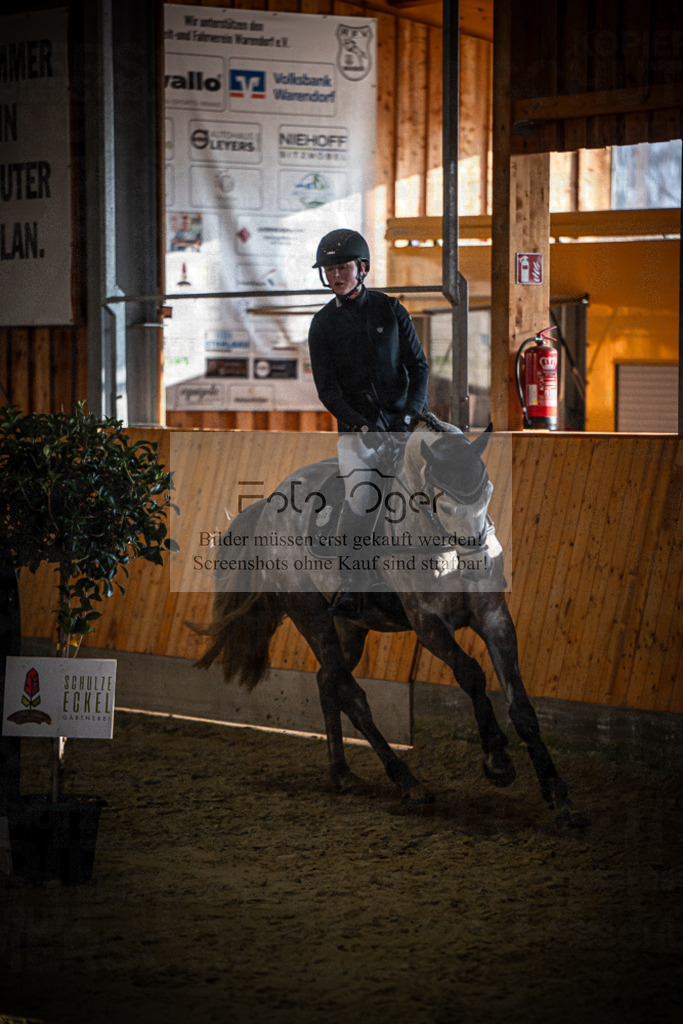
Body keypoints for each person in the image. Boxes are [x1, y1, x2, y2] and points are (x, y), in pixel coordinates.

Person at [308, 228, 429, 616]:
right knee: (362, 497)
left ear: (362, 268)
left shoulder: (391, 310)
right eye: (329, 269)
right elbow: (328, 390)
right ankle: (353, 583)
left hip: (405, 422)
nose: (335, 276)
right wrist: (361, 425)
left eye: (342, 267)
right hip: (358, 432)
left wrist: (409, 416)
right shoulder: (322, 324)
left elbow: (419, 367)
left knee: (445, 474)